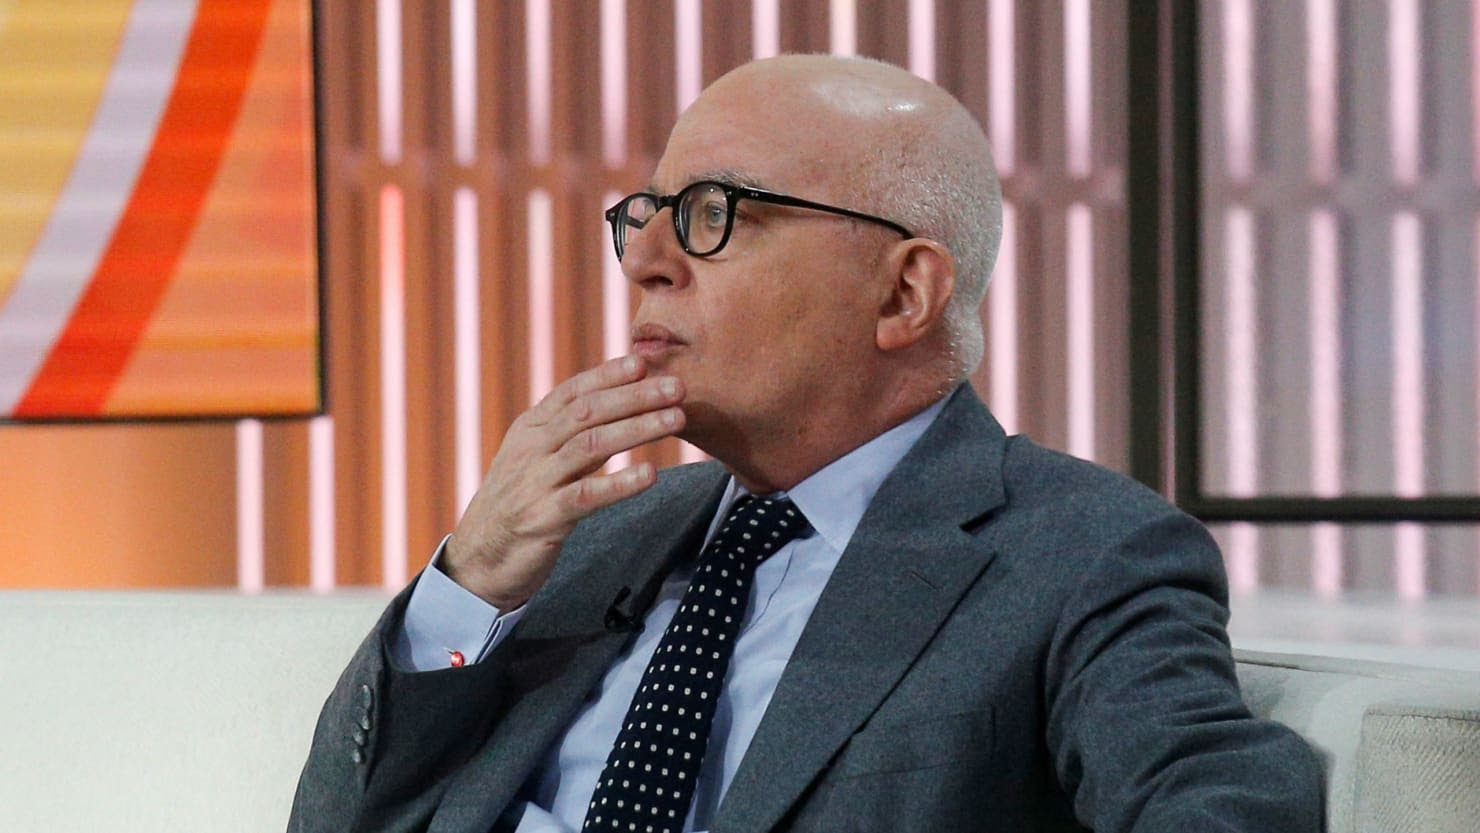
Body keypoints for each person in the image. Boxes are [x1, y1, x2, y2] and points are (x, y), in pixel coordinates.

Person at [290, 54, 1322, 833]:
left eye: (713, 213)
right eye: (647, 214)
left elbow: (1221, 807)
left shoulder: (1080, 552)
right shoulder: (587, 537)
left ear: (903, 292)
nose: (645, 259)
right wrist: (470, 578)